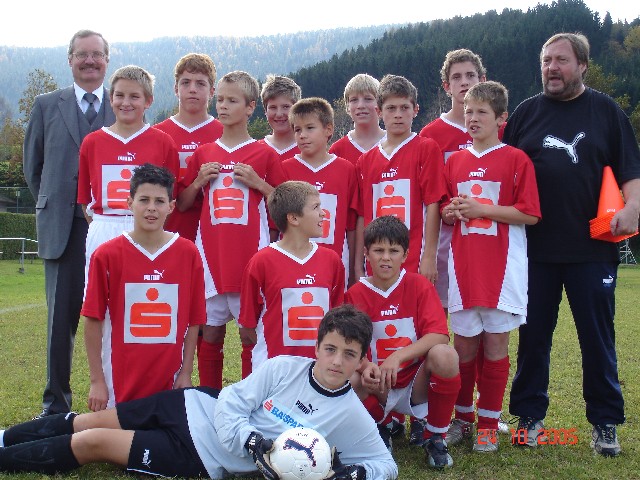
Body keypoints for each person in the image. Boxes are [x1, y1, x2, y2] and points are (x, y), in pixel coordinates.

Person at [0, 305, 398, 480]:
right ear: (317, 347)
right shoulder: (283, 368)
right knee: (85, 421)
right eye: (330, 349)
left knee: (91, 442)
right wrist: (251, 439)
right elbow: (230, 402)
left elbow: (386, 464)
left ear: (362, 360)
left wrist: (359, 474)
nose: (336, 361)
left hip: (201, 456)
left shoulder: (349, 413)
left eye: (349, 355)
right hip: (192, 405)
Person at [504, 32, 640, 457]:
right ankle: (529, 418)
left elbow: (631, 170)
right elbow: (501, 168)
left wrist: (633, 208)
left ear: (582, 65)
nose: (551, 68)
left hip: (592, 249)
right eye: (546, 61)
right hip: (535, 251)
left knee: (597, 338)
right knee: (533, 338)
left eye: (561, 60)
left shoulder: (606, 112)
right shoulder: (526, 114)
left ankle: (605, 423)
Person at [440, 82, 540, 452]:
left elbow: (529, 213)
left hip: (503, 272)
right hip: (464, 272)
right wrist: (452, 212)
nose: (472, 117)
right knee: (463, 348)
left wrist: (483, 210)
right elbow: (449, 211)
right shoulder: (455, 161)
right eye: (468, 110)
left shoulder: (516, 159)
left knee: (496, 345)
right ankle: (462, 419)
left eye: (482, 112)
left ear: (501, 118)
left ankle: (488, 423)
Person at [22, 29, 116, 419]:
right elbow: (33, 168)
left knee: (115, 319)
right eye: (82, 54)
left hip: (111, 231)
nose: (89, 61)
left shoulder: (125, 105)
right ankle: (55, 405)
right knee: (60, 323)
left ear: (107, 60)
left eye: (97, 54)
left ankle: (117, 403)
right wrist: (59, 205)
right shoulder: (46, 105)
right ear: (70, 59)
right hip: (63, 228)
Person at [177, 71, 286, 389]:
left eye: (232, 100)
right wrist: (197, 181)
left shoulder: (264, 154)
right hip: (210, 262)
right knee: (209, 331)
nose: (222, 106)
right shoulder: (204, 152)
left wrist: (259, 183)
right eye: (220, 99)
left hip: (250, 261)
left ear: (251, 107)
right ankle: (210, 399)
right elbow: (182, 204)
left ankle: (248, 400)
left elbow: (285, 207)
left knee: (249, 332)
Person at [82, 163, 205, 411]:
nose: (151, 207)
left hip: (168, 378)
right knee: (109, 444)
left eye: (159, 201)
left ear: (171, 207)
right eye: (144, 200)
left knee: (159, 444)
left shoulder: (187, 253)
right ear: (129, 203)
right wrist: (97, 381)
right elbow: (92, 319)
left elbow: (194, 320)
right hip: (119, 377)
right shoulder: (106, 254)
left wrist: (186, 372)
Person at [346, 215, 460, 468]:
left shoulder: (418, 285)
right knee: (350, 378)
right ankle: (381, 425)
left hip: (415, 383)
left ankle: (435, 435)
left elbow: (440, 334)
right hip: (378, 383)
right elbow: (350, 347)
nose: (385, 257)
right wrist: (366, 368)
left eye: (393, 251)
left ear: (405, 254)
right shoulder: (354, 294)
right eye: (378, 250)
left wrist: (399, 356)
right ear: (366, 252)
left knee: (445, 355)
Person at [77, 65, 180, 286]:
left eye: (134, 96)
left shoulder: (163, 142)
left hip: (146, 228)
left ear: (148, 101)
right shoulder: (92, 142)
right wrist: (107, 223)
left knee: (141, 297)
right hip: (104, 226)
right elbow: (86, 200)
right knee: (100, 302)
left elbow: (170, 197)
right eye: (120, 95)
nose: (126, 102)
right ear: (110, 97)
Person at [238, 180, 346, 373]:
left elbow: (336, 319)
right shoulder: (261, 262)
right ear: (294, 218)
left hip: (319, 371)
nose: (323, 213)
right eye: (316, 207)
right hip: (274, 371)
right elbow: (247, 327)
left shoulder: (331, 260)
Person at [355, 74, 446, 283]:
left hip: (414, 257)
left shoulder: (426, 148)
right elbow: (362, 214)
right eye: (391, 108)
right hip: (376, 261)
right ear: (379, 112)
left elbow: (433, 204)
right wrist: (360, 262)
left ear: (415, 110)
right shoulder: (365, 161)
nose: (398, 115)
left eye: (404, 108)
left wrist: (429, 256)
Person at [282, 97, 359, 287]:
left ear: (328, 130)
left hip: (335, 261)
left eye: (310, 128)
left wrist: (355, 268)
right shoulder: (285, 169)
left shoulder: (346, 170)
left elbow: (352, 225)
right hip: (294, 262)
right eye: (297, 130)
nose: (302, 135)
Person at [154, 53, 223, 242]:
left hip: (214, 231)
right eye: (186, 83)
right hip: (169, 230)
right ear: (176, 89)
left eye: (200, 83)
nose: (192, 89)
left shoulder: (225, 133)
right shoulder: (157, 134)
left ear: (212, 91)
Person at [329, 73, 386, 166]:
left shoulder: (395, 144)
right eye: (354, 100)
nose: (361, 106)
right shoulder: (337, 150)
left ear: (380, 104)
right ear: (347, 107)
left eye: (368, 99)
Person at [259, 74, 302, 161]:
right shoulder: (256, 150)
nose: (279, 114)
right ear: (265, 111)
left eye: (286, 107)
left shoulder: (309, 150)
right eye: (273, 107)